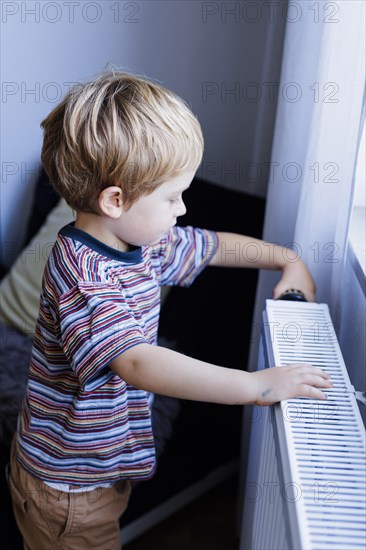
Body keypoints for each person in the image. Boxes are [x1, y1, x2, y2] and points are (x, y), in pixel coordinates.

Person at [7, 71, 332, 550]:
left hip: (98, 471)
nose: (183, 209)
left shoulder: (141, 242)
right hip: (68, 489)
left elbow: (214, 246)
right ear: (115, 200)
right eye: (173, 196)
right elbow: (137, 362)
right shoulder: (84, 274)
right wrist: (256, 386)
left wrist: (287, 259)